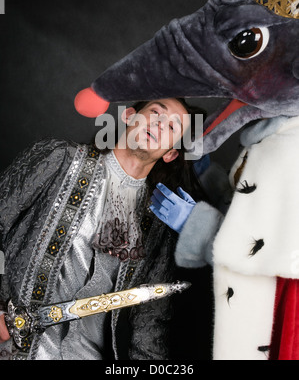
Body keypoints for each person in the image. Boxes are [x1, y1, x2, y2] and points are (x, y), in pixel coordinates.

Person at [0, 97, 206, 360]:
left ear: (170, 153)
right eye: (155, 112)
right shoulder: (60, 159)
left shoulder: (156, 227)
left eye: (173, 127)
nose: (159, 124)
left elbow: (149, 322)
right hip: (15, 347)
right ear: (129, 116)